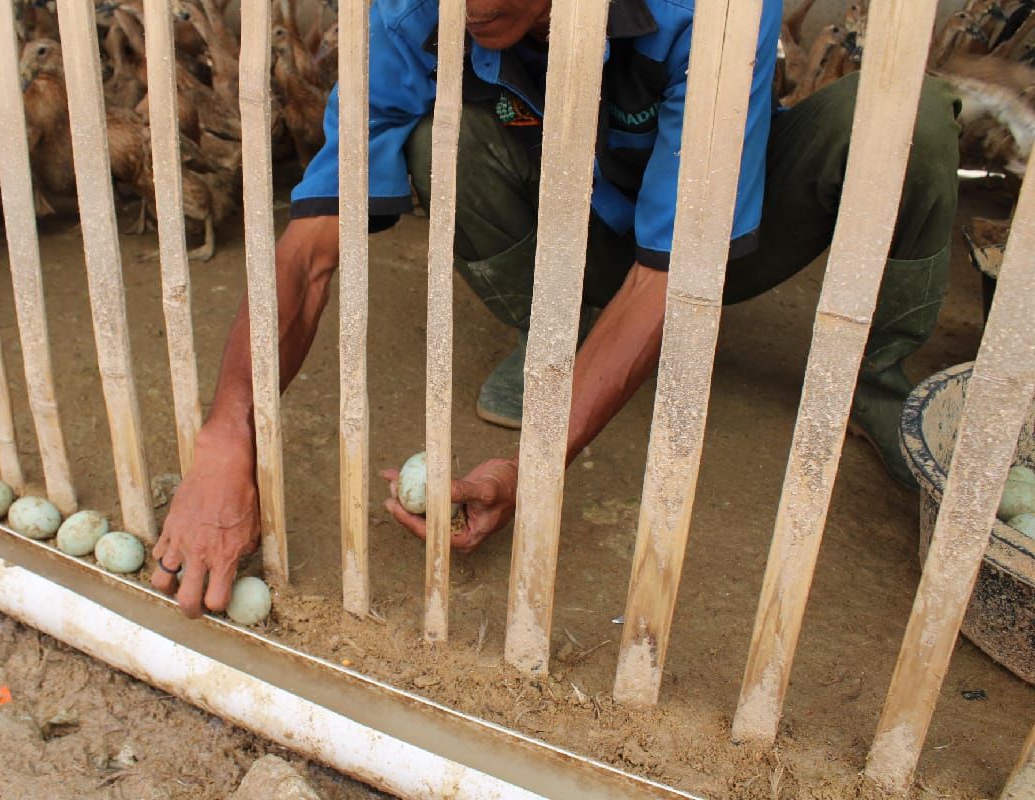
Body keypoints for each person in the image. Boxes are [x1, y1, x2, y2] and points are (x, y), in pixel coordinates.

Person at [153, 0, 962, 617]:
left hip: (708, 238)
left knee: (905, 116)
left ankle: (881, 382)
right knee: (438, 142)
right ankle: (561, 328)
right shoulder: (412, 9)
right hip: (568, 230)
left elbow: (673, 277)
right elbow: (311, 247)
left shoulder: (710, 11)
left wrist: (534, 467)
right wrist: (229, 433)